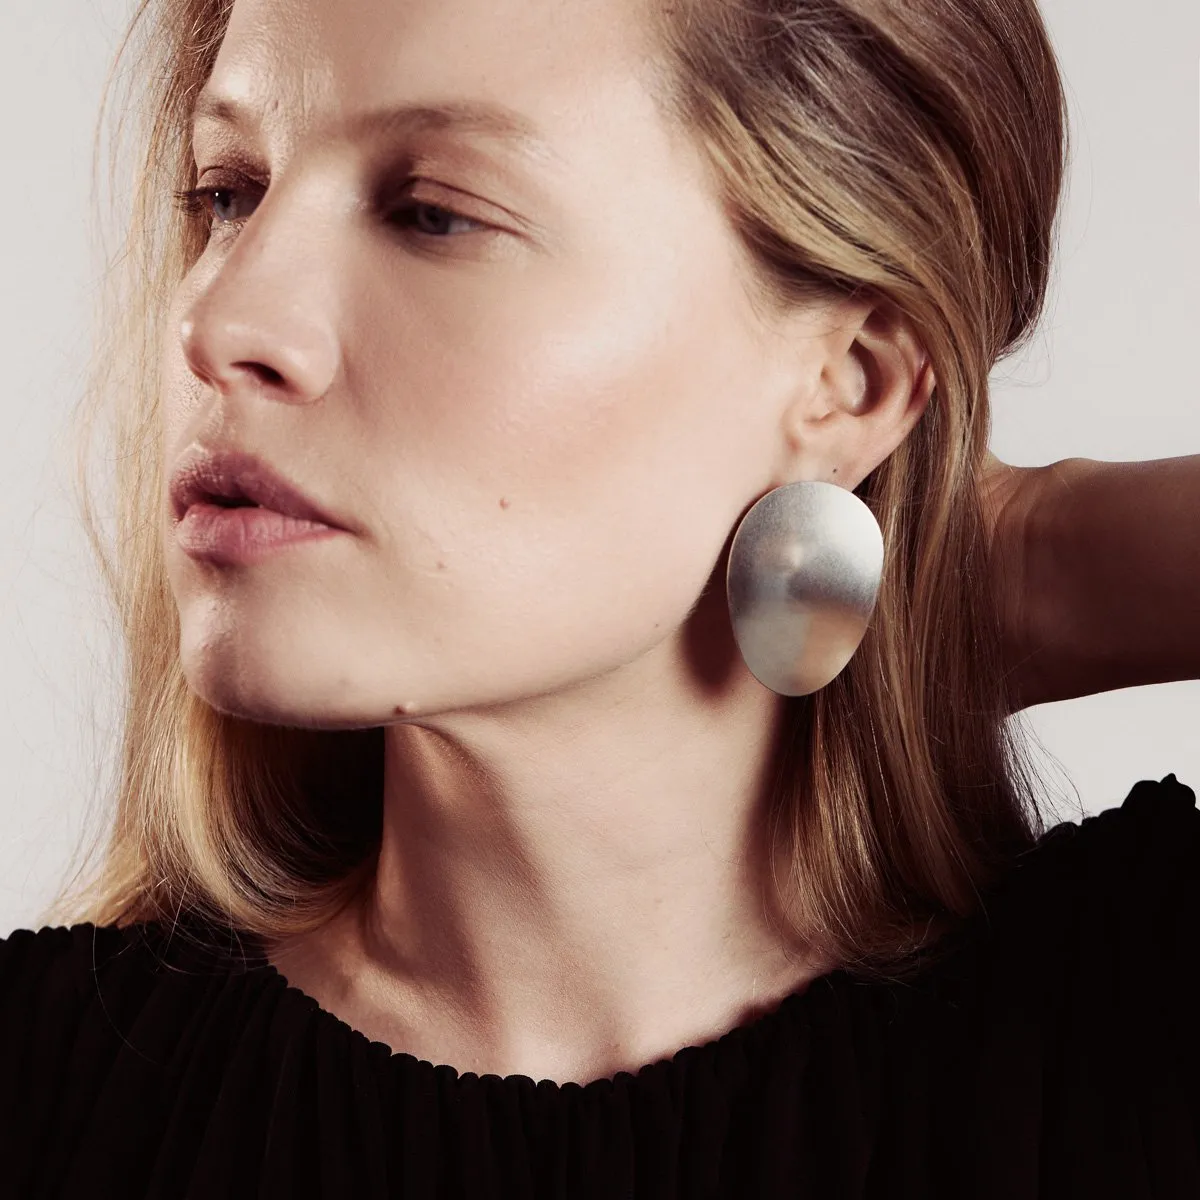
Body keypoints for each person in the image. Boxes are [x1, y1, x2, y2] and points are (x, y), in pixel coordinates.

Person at [1, 0, 1196, 1194]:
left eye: (434, 214)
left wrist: (1044, 561)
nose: (218, 320)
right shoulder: (48, 1097)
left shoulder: (1133, 1028)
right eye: (229, 193)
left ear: (848, 384)